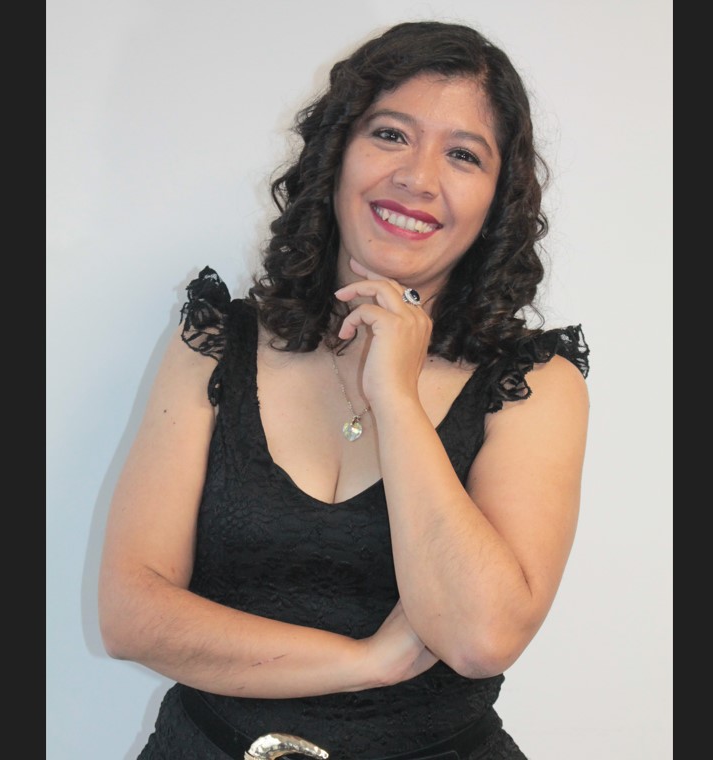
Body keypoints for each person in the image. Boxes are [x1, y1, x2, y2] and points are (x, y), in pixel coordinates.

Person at [98, 20, 590, 760]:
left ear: (496, 200)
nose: (418, 178)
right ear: (336, 153)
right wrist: (366, 662)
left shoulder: (532, 386)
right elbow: (131, 615)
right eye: (391, 135)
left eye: (463, 155)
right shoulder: (217, 345)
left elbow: (481, 637)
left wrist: (395, 397)